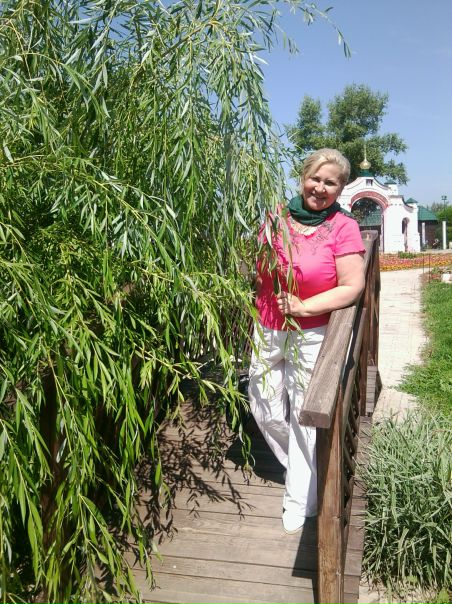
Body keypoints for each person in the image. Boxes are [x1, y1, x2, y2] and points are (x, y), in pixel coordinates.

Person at [248, 148, 365, 534]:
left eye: (330, 183)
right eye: (315, 178)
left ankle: (300, 498)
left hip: (311, 331)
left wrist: (303, 306)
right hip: (268, 326)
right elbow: (257, 268)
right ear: (303, 177)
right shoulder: (276, 217)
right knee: (263, 405)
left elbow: (352, 286)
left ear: (340, 189)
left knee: (303, 413)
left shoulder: (343, 227)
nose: (320, 187)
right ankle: (304, 471)